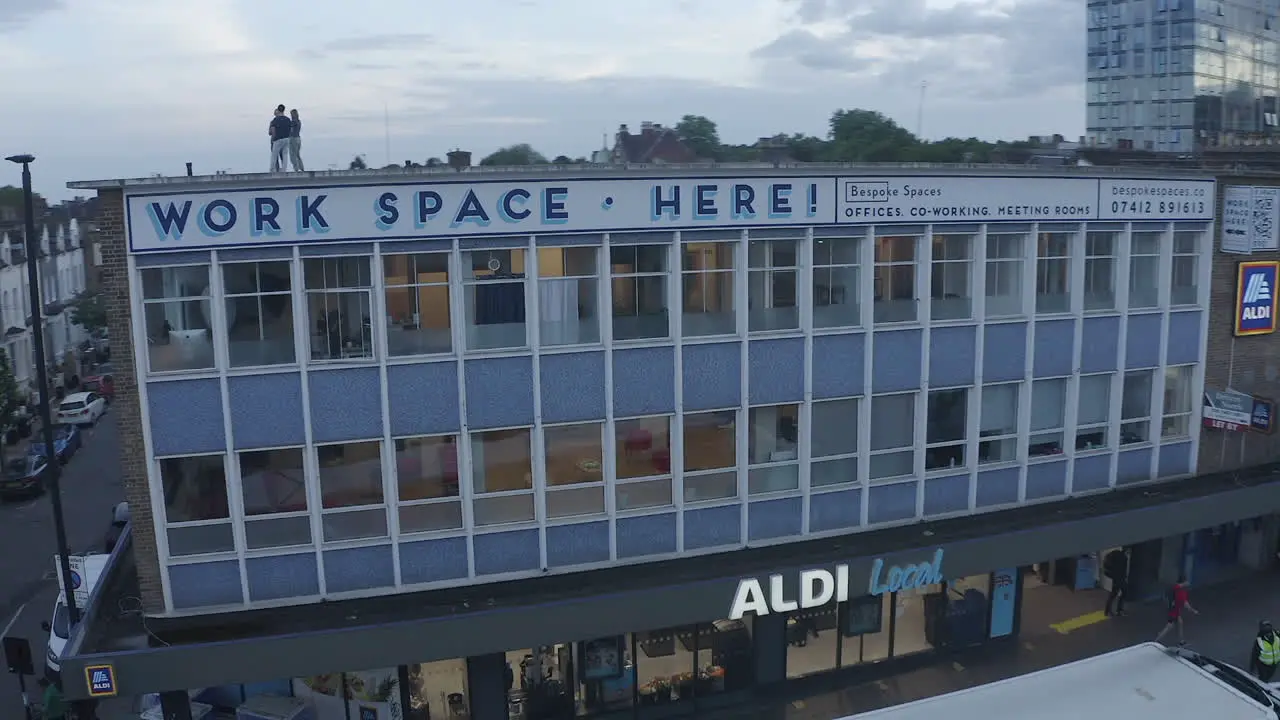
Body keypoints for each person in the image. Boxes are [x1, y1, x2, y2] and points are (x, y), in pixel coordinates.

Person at [1155, 575, 1199, 646]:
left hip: (1173, 609)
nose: (1188, 583)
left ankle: (1181, 641)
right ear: (1184, 582)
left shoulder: (1175, 587)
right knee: (1169, 626)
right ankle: (1156, 641)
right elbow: (1185, 603)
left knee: (1180, 622)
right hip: (1174, 611)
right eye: (1187, 581)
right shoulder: (1180, 591)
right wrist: (1193, 610)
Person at [1103, 547, 1130, 617]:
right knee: (1124, 592)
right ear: (1127, 550)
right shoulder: (1124, 558)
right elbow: (1122, 570)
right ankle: (1119, 610)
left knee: (1113, 594)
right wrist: (1124, 577)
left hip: (1115, 578)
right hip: (1120, 579)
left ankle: (1107, 611)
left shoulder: (1117, 554)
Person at [268, 105, 292, 172]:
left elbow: (272, 131)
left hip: (278, 139)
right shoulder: (287, 119)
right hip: (286, 138)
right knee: (285, 155)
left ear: (278, 110)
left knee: (274, 155)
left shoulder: (275, 120)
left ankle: (272, 169)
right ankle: (284, 169)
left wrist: (273, 139)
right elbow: (291, 129)